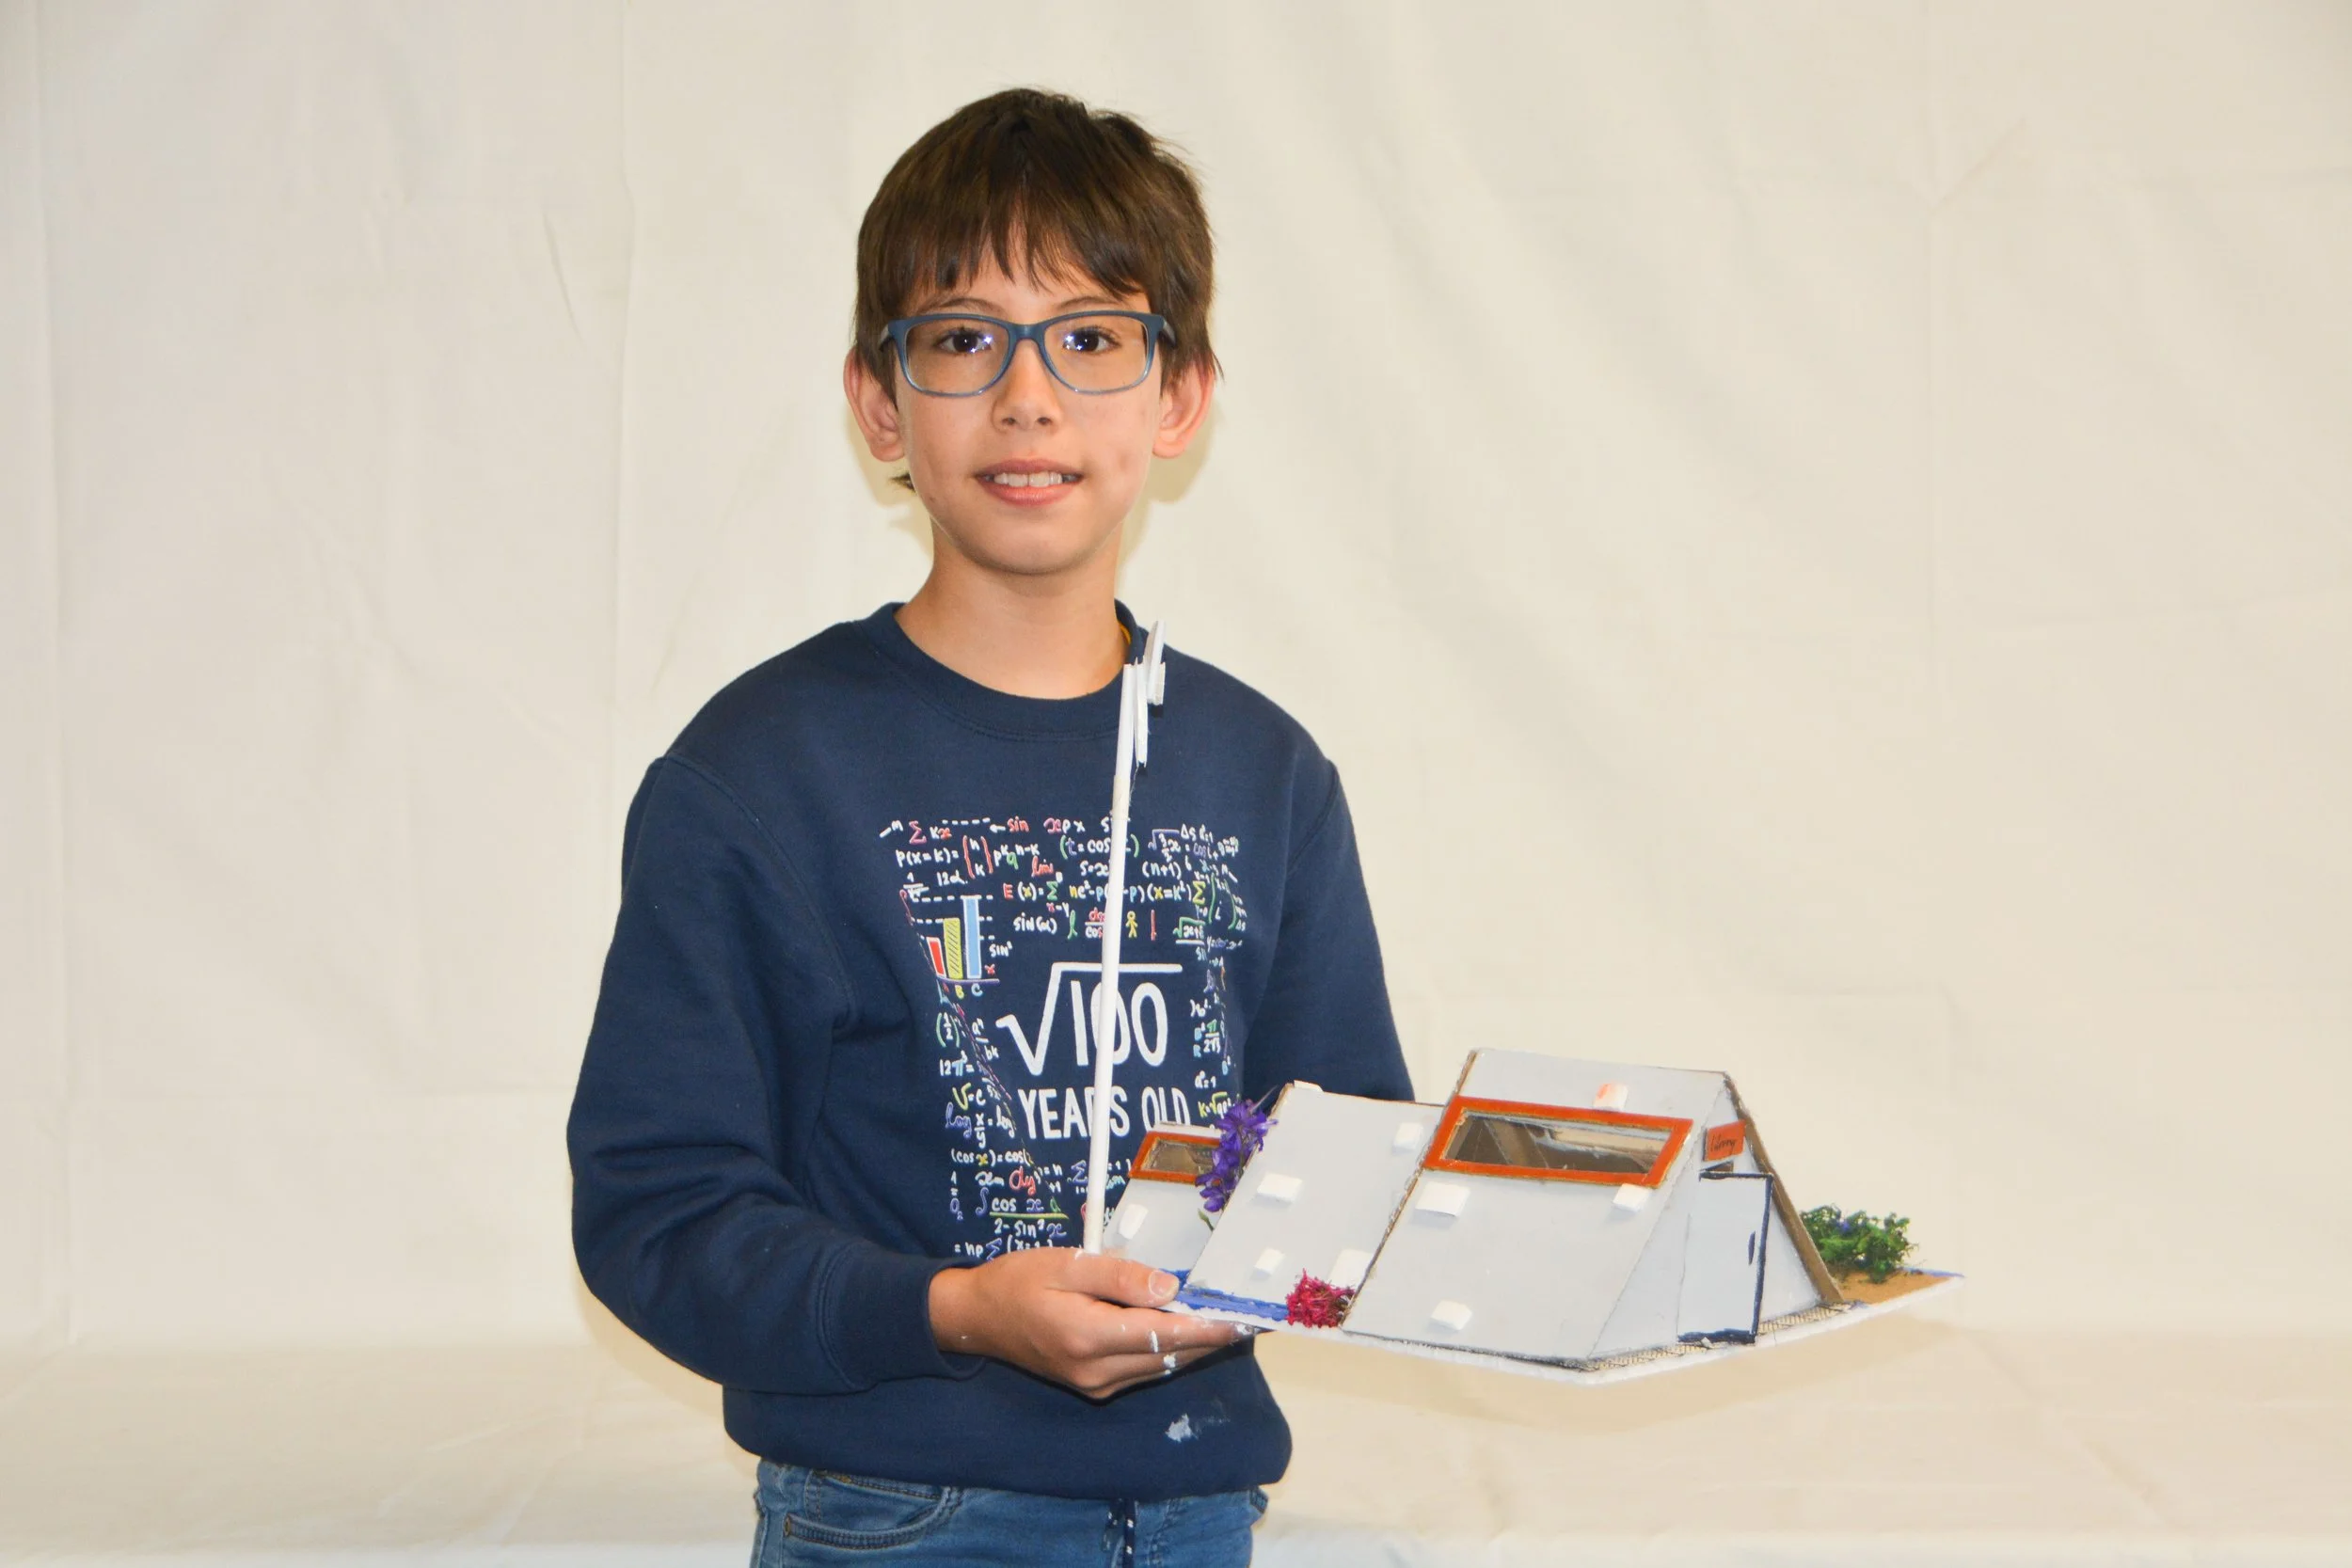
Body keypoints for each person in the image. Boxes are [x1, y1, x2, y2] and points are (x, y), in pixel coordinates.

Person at [567, 87, 1412, 1567]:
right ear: (881, 402)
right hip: (899, 1515)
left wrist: (1565, 1214)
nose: (1030, 399)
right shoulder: (760, 772)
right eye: (965, 338)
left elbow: (1344, 1159)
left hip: (1204, 1509)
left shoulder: (1262, 769)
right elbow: (659, 1212)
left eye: (1092, 338)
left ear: (1180, 394)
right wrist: (953, 1307)